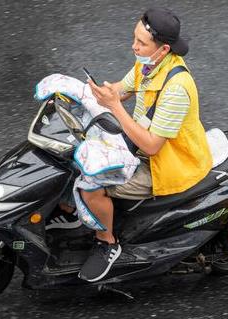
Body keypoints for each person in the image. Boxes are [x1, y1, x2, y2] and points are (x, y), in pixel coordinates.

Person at [78, 7, 213, 282]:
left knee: (90, 184)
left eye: (141, 43)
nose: (133, 46)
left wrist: (114, 106)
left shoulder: (177, 88)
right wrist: (93, 94)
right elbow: (121, 90)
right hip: (137, 145)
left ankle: (107, 243)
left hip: (164, 165)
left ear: (163, 50)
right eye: (134, 38)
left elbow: (152, 146)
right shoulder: (148, 65)